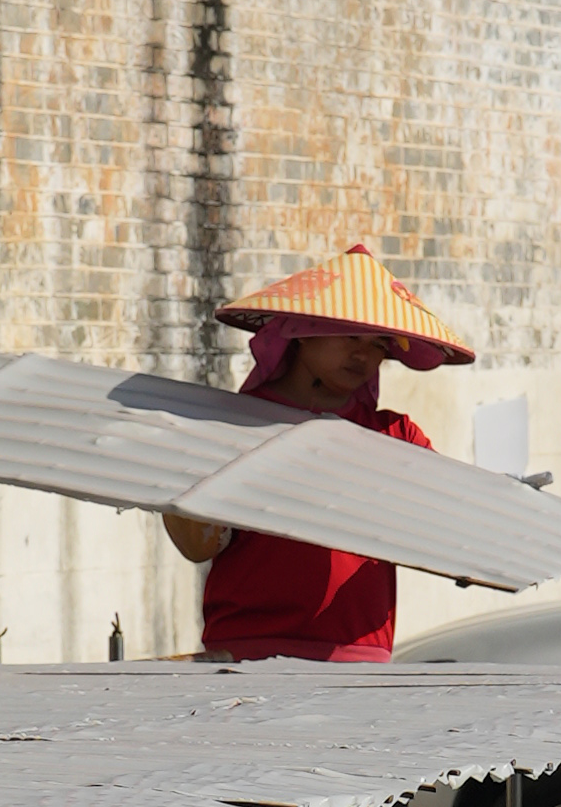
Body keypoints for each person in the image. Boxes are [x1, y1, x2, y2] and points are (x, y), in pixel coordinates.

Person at [163, 240, 473, 664]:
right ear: (301, 333)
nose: (364, 354)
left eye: (380, 343)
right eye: (349, 335)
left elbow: (449, 526)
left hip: (358, 657)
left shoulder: (396, 435)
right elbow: (196, 545)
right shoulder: (230, 425)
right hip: (245, 651)